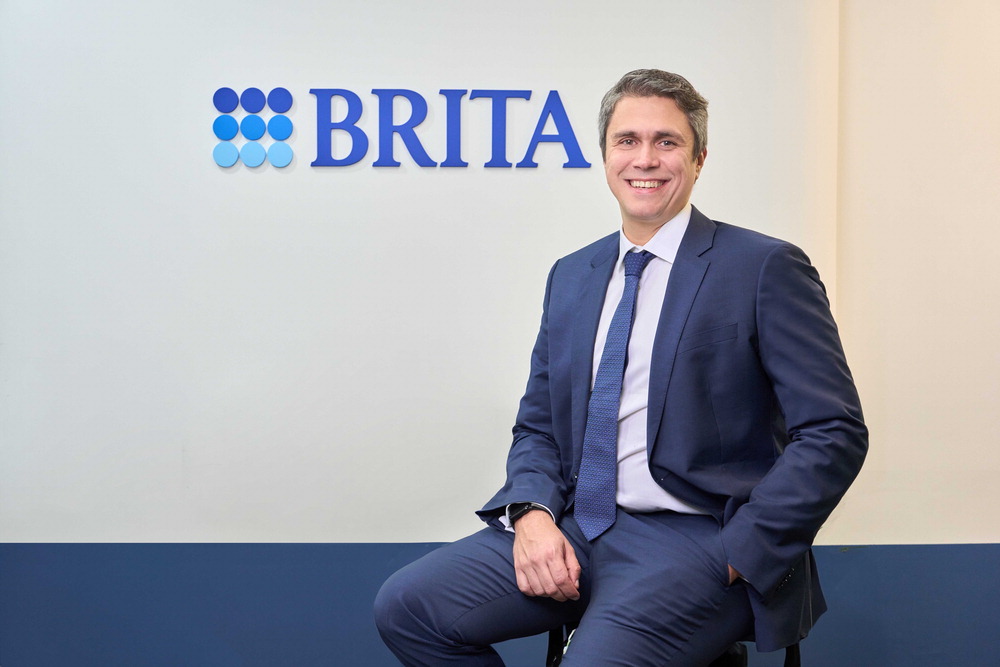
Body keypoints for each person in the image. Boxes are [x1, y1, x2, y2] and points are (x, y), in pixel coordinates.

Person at [374, 69, 867, 666]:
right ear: (605, 156)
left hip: (698, 537)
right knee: (408, 606)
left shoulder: (763, 267)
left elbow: (834, 431)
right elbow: (537, 426)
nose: (645, 159)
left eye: (667, 141)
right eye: (627, 140)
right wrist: (531, 513)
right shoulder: (572, 275)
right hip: (578, 527)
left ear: (699, 158)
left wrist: (744, 550)